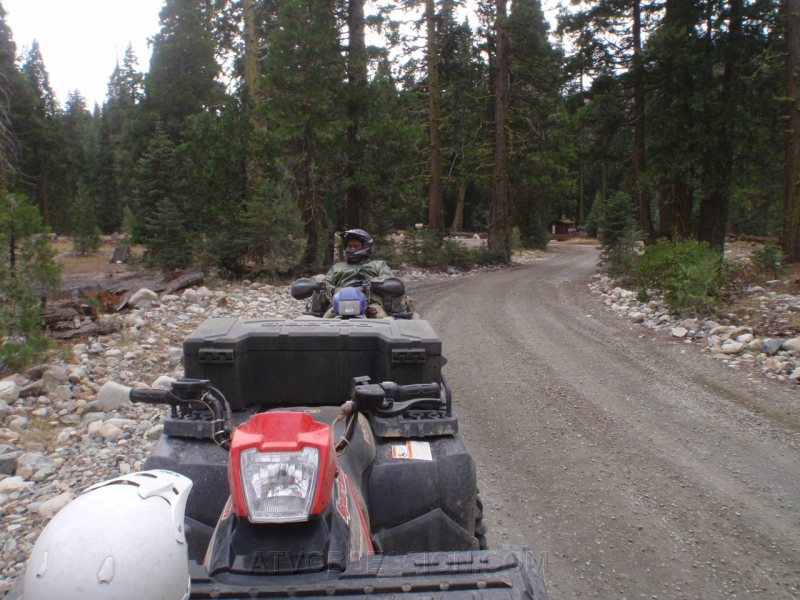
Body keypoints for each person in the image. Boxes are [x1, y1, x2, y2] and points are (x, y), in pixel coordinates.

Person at [323, 229, 393, 318]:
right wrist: (334, 290)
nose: (352, 248)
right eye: (349, 246)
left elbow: (388, 278)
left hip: (370, 303)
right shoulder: (337, 267)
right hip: (339, 304)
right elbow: (325, 283)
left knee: (383, 321)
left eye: (356, 246)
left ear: (366, 246)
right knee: (324, 322)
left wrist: (368, 286)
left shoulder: (378, 265)